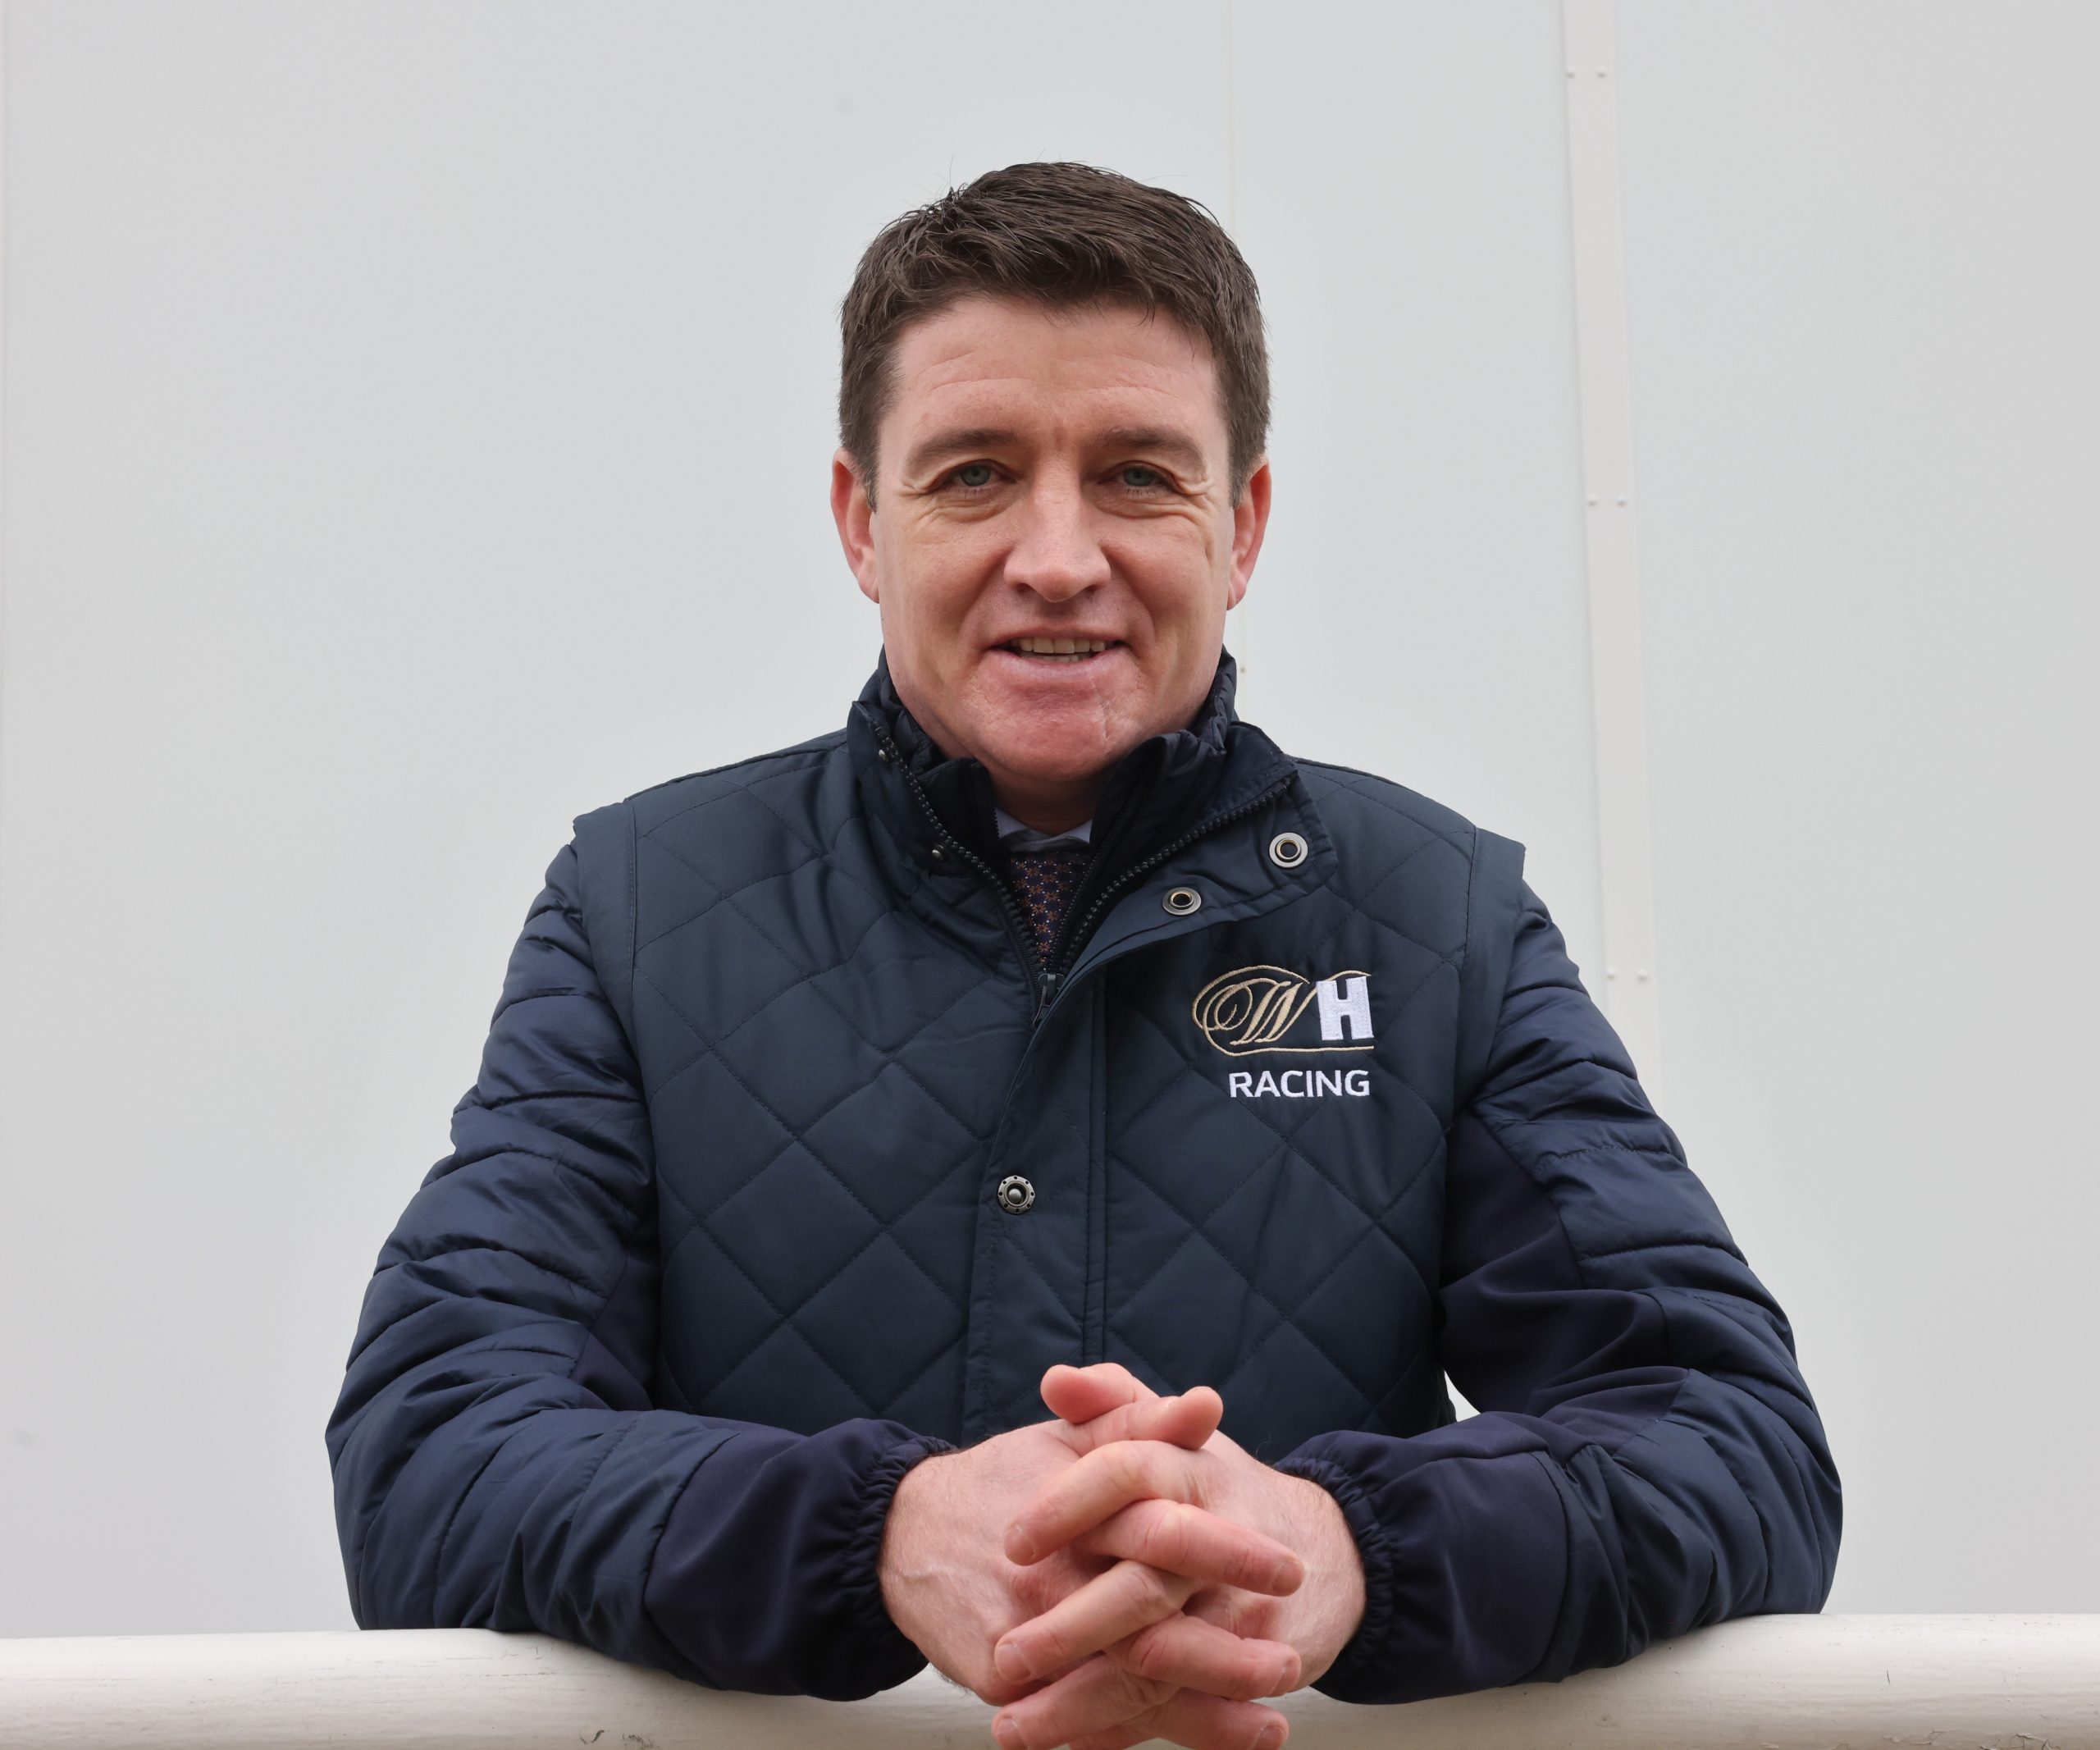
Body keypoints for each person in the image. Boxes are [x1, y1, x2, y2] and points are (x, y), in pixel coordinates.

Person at [326, 161, 1841, 1750]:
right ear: (861, 521)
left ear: (1240, 525)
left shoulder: (1436, 919)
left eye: (1135, 475)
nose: (1056, 557)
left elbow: (1734, 1445)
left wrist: (1340, 1545)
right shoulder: (640, 910)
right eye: (975, 473)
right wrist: (880, 1531)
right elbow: (432, 1454)